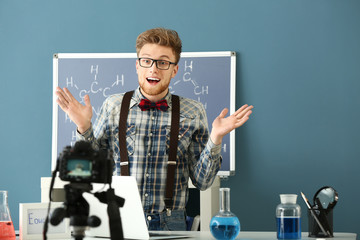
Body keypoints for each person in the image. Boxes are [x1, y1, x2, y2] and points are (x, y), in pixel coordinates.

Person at [55, 27, 253, 231]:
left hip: (171, 223)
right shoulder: (112, 106)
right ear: (137, 65)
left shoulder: (194, 111)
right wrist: (83, 126)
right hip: (119, 221)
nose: (153, 69)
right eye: (147, 60)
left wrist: (216, 137)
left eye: (163, 62)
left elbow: (203, 182)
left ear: (174, 69)